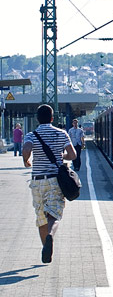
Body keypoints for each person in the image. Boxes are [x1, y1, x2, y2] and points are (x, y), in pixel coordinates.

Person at [22, 104, 76, 264]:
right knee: (54, 214)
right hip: (55, 179)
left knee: (41, 216)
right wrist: (62, 155)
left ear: (37, 119)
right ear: (53, 118)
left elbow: (27, 148)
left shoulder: (32, 135)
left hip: (37, 180)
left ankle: (46, 247)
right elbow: (72, 155)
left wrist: (26, 160)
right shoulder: (61, 133)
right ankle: (50, 236)